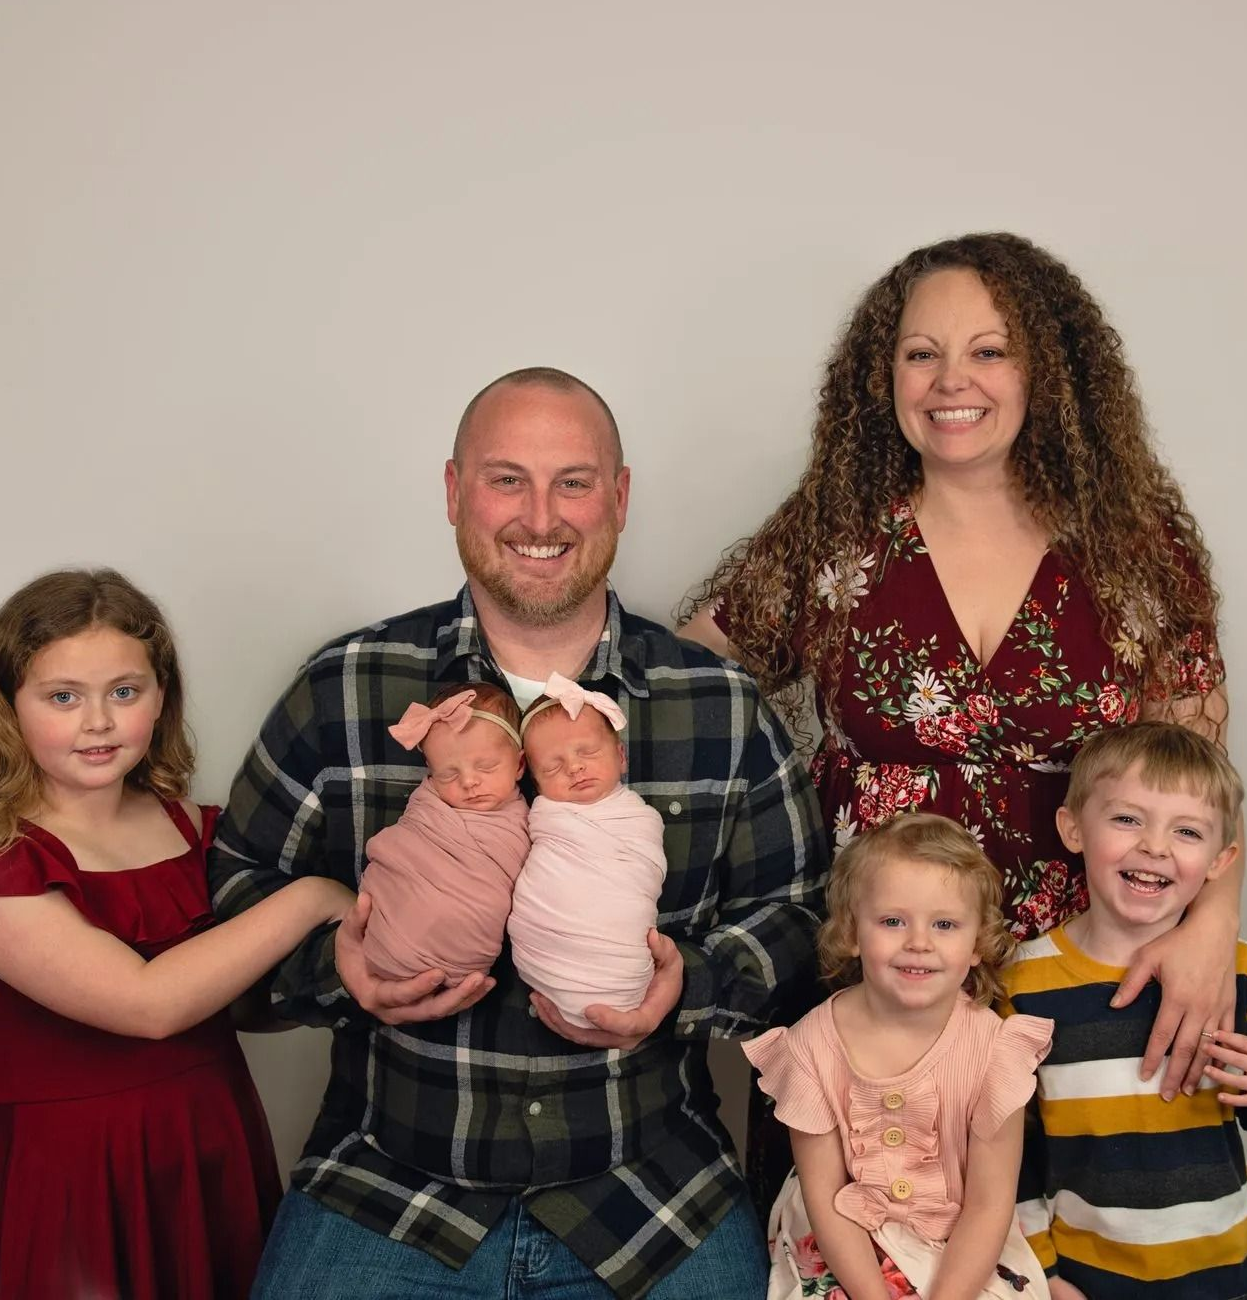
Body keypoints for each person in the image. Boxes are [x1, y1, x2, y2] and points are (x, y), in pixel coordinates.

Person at [207, 367, 828, 1299]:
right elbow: (239, 890)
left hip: (651, 1192)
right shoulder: (345, 686)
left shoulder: (720, 706)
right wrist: (338, 965)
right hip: (390, 1180)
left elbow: (799, 919)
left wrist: (685, 983)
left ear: (618, 498)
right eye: (507, 479)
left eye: (573, 481)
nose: (542, 515)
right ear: (454, 492)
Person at [679, 235, 1237, 1177]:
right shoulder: (836, 533)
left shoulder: (1130, 549)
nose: (951, 380)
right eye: (919, 352)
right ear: (882, 374)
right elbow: (686, 678)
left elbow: (1198, 774)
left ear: (1045, 373)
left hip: (1077, 972)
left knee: (1056, 1253)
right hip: (875, 976)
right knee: (864, 1246)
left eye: (988, 349)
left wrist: (1212, 926)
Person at [0, 569, 354, 1300]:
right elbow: (150, 1004)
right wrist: (311, 898)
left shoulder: (200, 832)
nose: (99, 721)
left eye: (125, 691)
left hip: (210, 1148)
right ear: (6, 707)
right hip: (71, 1178)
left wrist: (354, 980)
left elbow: (236, 1002)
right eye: (62, 696)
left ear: (161, 695)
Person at [744, 813, 1053, 1300]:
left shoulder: (995, 1051)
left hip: (963, 1240)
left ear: (977, 944)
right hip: (843, 1240)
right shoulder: (808, 1048)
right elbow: (824, 1199)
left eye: (945, 924)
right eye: (892, 921)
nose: (919, 942)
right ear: (850, 933)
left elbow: (990, 1204)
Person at [1004, 722, 1247, 1299]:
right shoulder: (1023, 985)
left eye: (1188, 831)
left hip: (1228, 1277)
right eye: (1127, 819)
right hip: (1087, 1280)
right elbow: (1009, 1152)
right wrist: (1041, 1272)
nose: (1155, 846)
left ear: (1222, 860)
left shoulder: (1237, 973)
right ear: (1073, 829)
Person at [508, 672, 667, 1026]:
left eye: (588, 752)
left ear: (621, 756)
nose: (574, 767)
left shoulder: (637, 819)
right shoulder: (546, 817)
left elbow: (643, 875)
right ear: (536, 784)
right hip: (544, 945)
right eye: (553, 766)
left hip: (620, 959)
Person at [359, 681, 529, 982]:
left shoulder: (527, 821)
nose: (468, 782)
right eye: (449, 773)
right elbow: (402, 850)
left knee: (486, 904)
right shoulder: (429, 806)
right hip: (387, 930)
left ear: (519, 764)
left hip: (463, 944)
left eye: (486, 767)